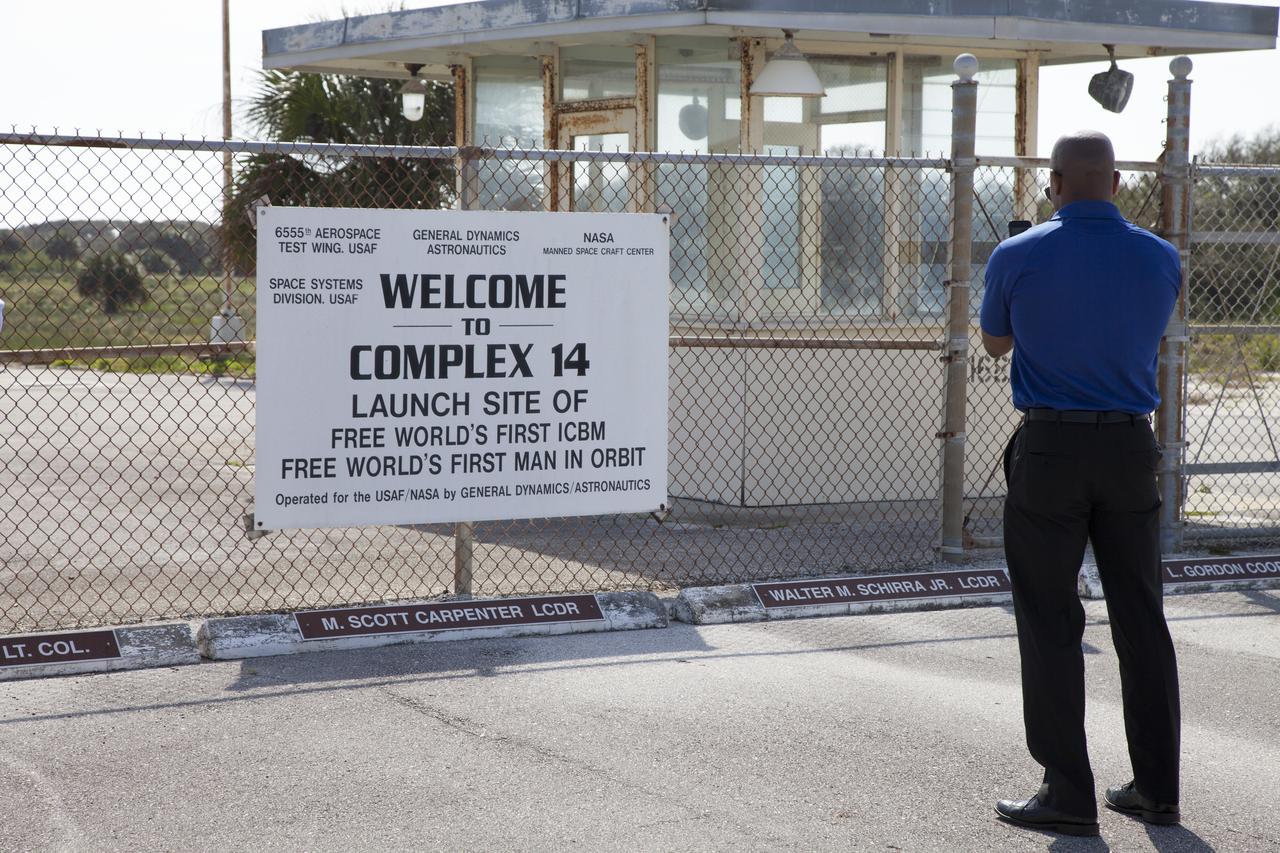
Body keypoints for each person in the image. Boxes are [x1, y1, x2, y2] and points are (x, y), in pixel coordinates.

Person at [980, 131, 1182, 837]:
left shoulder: (1018, 252)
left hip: (1051, 448)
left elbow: (996, 341)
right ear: (1118, 182)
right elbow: (1143, 332)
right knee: (1141, 618)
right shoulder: (1162, 257)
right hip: (1130, 445)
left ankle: (1068, 791)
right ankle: (1157, 786)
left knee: (1050, 620)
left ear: (1055, 182)